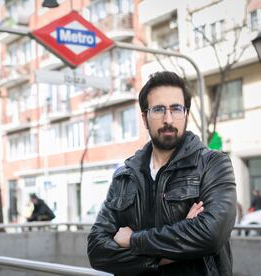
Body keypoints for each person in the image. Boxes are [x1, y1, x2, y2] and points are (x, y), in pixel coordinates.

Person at [87, 71, 237, 275]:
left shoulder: (213, 165)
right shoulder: (125, 176)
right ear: (144, 117)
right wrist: (180, 238)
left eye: (176, 108)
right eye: (158, 109)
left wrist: (133, 240)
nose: (168, 119)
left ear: (185, 113)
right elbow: (97, 251)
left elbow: (211, 235)